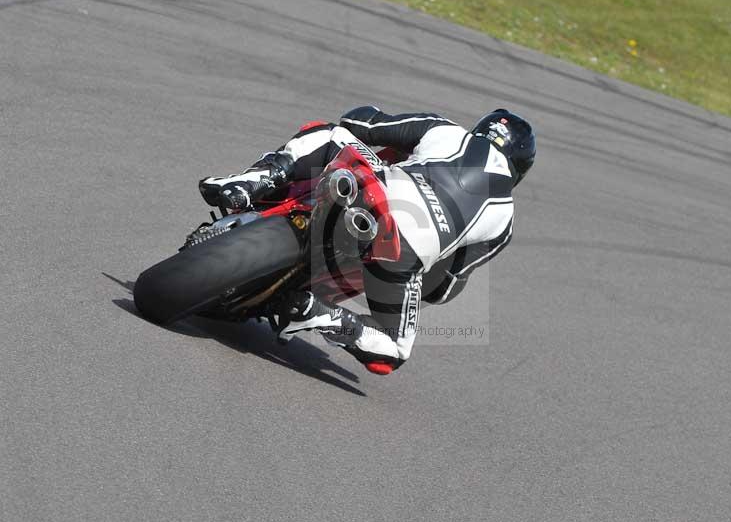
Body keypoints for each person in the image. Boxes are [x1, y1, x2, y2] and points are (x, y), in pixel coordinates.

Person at [199, 107, 536, 374]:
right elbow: (444, 287)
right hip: (406, 252)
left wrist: (379, 130)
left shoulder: (446, 130)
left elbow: (362, 123)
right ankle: (319, 314)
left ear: (481, 129)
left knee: (330, 131)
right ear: (519, 171)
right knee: (392, 353)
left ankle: (252, 180)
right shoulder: (504, 222)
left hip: (374, 188)